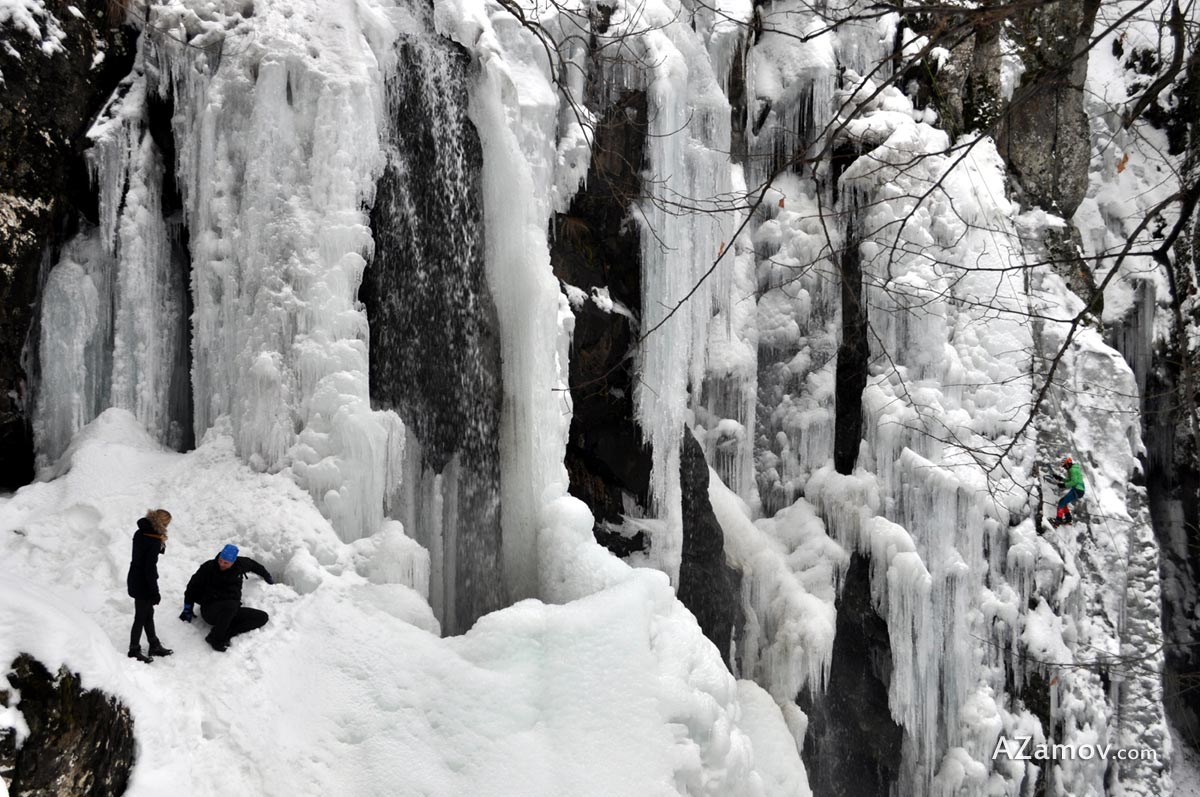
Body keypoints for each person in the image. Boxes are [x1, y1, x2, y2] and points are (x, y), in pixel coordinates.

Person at [180, 544, 275, 652]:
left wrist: (266, 575)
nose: (221, 564)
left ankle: (225, 633)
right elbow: (192, 587)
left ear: (233, 562)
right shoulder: (208, 567)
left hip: (231, 610)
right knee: (231, 605)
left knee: (262, 617)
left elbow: (253, 565)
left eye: (226, 563)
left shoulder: (240, 565)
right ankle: (216, 639)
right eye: (220, 560)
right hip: (210, 610)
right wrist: (187, 608)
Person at [126, 509, 174, 663]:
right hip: (144, 583)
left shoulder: (141, 532)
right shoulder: (153, 540)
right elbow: (149, 568)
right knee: (140, 616)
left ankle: (154, 644)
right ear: (163, 523)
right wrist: (155, 592)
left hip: (134, 577)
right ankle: (134, 649)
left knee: (148, 613)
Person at [1053, 456, 1086, 526]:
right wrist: (1060, 478)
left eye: (1065, 466)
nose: (1065, 468)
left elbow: (1074, 482)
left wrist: (1063, 485)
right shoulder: (1074, 469)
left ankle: (1058, 521)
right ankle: (1068, 519)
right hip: (1079, 490)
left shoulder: (1072, 470)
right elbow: (1070, 480)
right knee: (1063, 502)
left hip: (1077, 490)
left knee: (1061, 503)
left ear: (1068, 464)